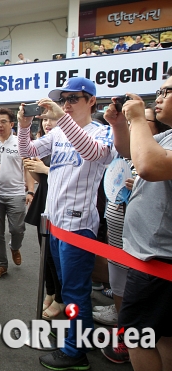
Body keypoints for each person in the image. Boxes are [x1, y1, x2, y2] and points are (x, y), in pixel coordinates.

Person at [18, 77, 114, 370]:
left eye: (74, 98)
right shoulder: (59, 133)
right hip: (56, 224)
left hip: (79, 226)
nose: (67, 104)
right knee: (69, 289)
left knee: (75, 292)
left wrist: (62, 119)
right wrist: (23, 126)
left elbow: (92, 152)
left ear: (91, 101)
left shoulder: (103, 132)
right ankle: (77, 341)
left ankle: (75, 352)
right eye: (64, 100)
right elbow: (27, 152)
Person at [100, 87, 172, 368]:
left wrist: (139, 120)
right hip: (154, 256)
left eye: (168, 90)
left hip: (159, 259)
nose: (161, 96)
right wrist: (119, 124)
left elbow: (148, 165)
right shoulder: (166, 136)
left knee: (137, 337)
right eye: (160, 90)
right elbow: (130, 150)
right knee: (163, 335)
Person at [23, 118, 65, 319]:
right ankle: (50, 291)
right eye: (45, 119)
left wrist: (46, 170)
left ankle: (61, 298)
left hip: (63, 205)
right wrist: (35, 169)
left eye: (52, 118)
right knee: (45, 254)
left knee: (58, 257)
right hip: (45, 201)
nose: (48, 122)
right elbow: (42, 179)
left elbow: (73, 172)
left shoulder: (71, 141)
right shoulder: (43, 143)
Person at [0, 108, 35, 279]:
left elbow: (28, 168)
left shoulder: (20, 142)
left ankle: (15, 247)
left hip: (16, 193)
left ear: (11, 124)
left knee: (17, 229)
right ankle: (1, 265)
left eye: (3, 122)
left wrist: (30, 190)